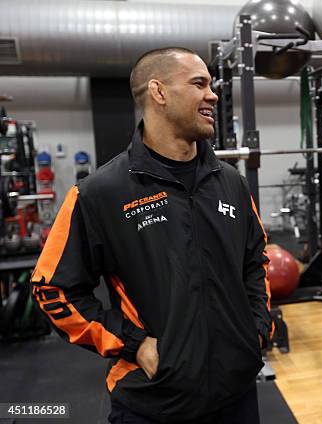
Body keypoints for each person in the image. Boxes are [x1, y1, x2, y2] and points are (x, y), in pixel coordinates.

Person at [30, 47, 272, 424]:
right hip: (153, 403)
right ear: (158, 92)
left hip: (236, 394)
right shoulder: (100, 193)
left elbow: (255, 264)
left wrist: (257, 331)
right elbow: (52, 289)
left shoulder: (231, 184)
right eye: (199, 84)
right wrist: (134, 343)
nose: (213, 95)